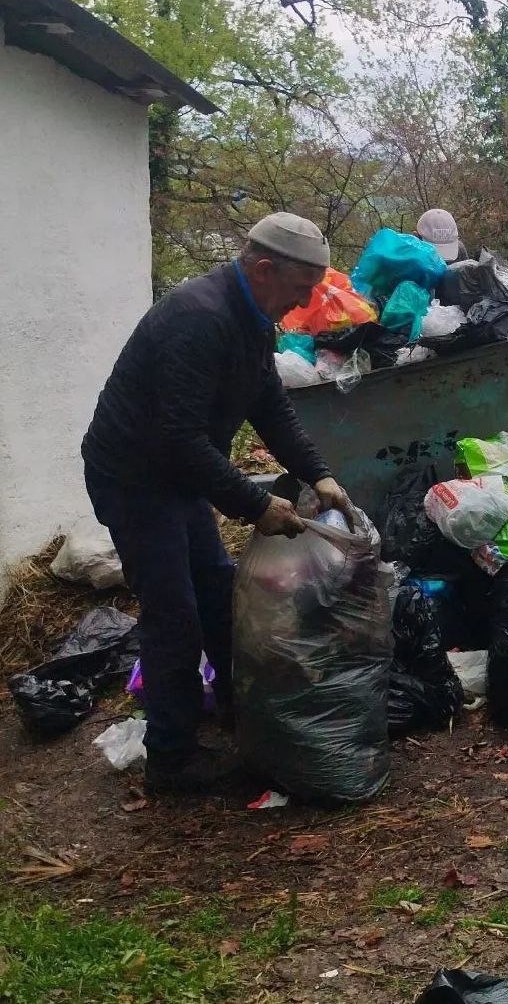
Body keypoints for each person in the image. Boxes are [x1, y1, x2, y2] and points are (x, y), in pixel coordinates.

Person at [82, 212, 354, 795]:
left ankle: (242, 711)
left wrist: (319, 474)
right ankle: (171, 761)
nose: (304, 303)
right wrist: (255, 504)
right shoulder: (198, 319)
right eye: (300, 288)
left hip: (176, 477)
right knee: (173, 615)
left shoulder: (252, 318)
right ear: (264, 269)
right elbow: (179, 439)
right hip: (133, 479)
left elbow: (269, 406)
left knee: (217, 592)